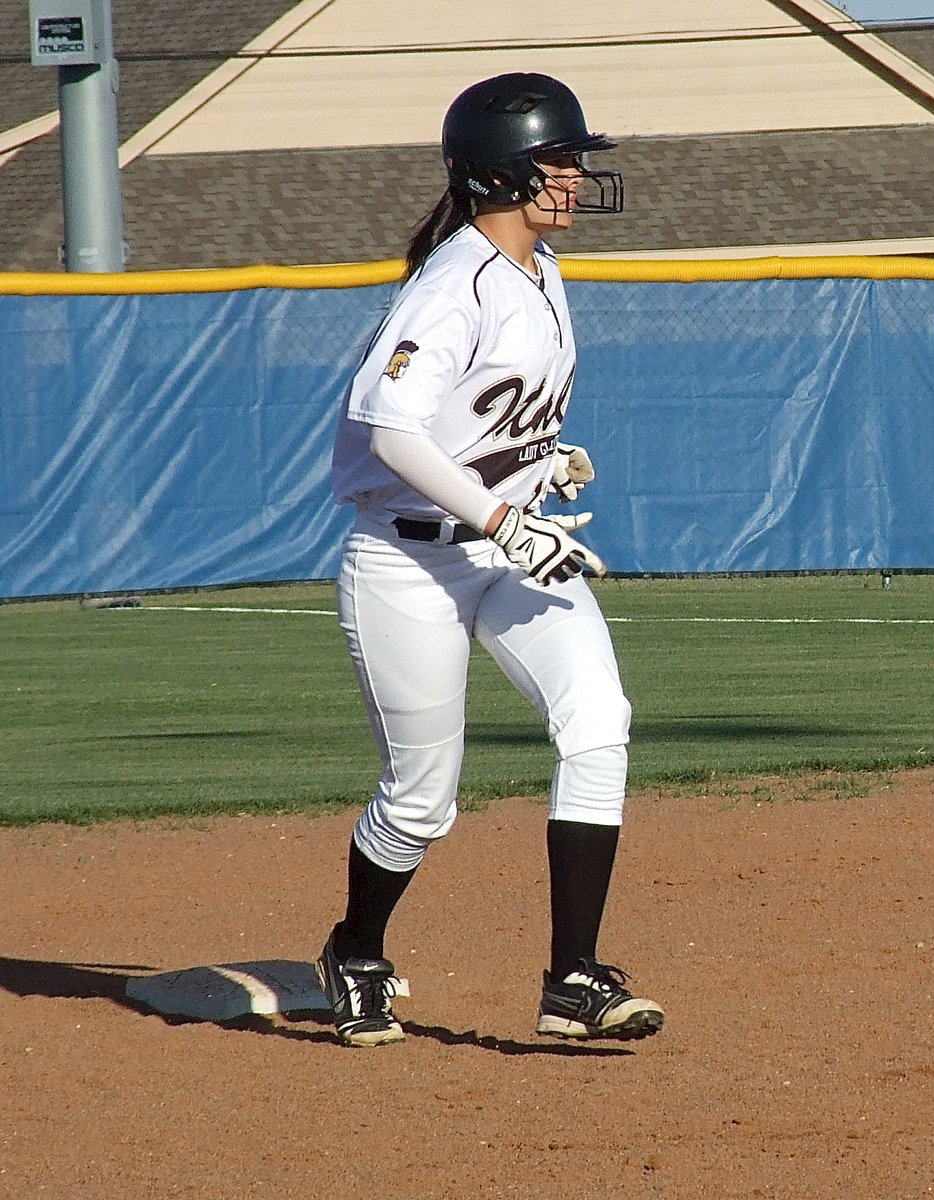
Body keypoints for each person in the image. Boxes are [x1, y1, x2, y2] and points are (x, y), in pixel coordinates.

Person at [316, 72, 664, 1046]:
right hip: (407, 561)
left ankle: (572, 977)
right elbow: (390, 431)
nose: (575, 175)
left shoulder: (539, 270)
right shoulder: (452, 284)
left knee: (597, 719)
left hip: (505, 544)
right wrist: (500, 514)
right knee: (420, 805)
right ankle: (356, 948)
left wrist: (539, 462)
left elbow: (477, 420)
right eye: (559, 159)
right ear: (502, 175)